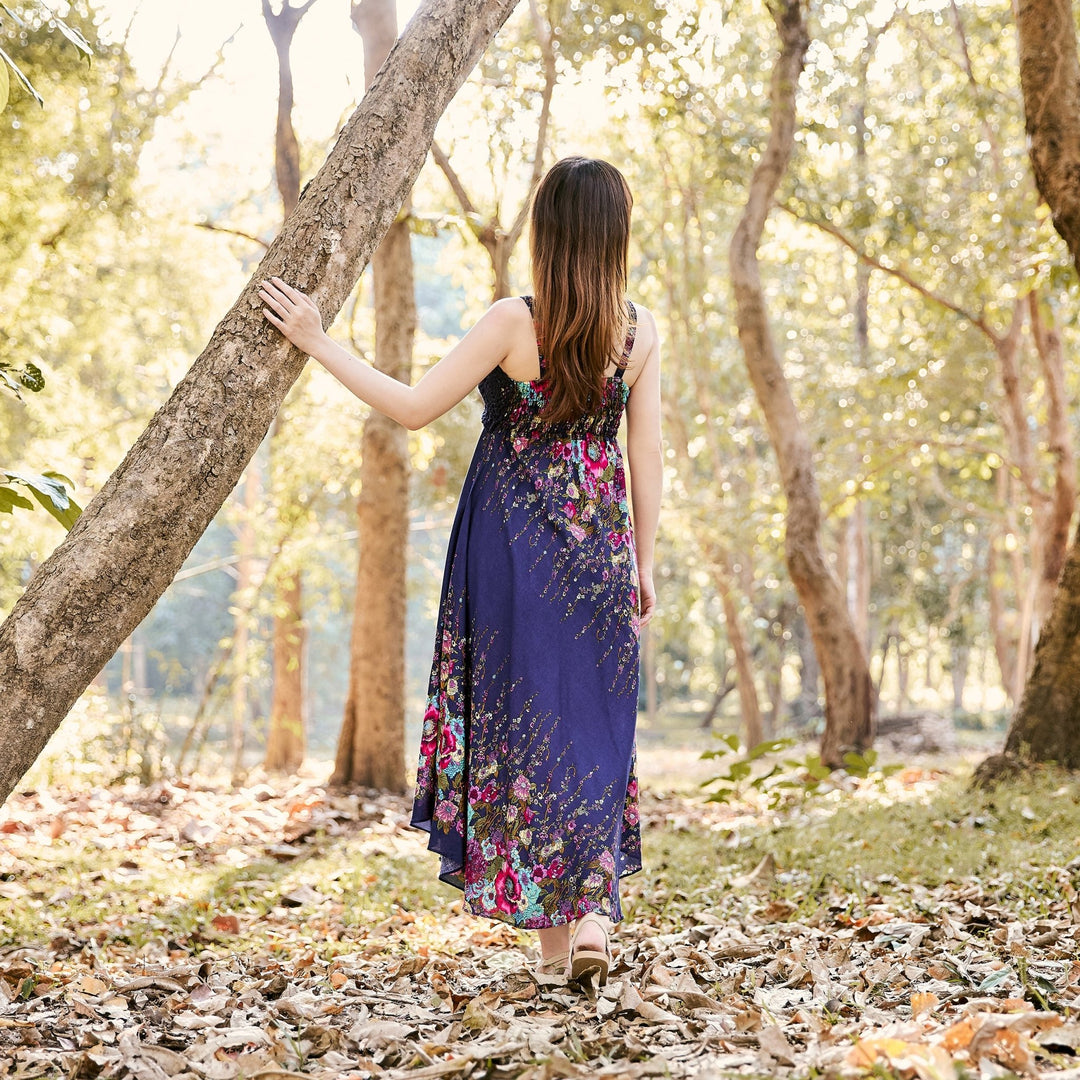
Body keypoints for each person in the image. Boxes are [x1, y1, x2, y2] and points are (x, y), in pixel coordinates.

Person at [259, 155, 662, 987]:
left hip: (511, 546)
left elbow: (411, 408)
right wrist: (644, 562)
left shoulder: (515, 322)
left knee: (522, 731)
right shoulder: (639, 330)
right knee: (589, 728)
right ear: (616, 234)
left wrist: (317, 340)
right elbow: (644, 453)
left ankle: (568, 938)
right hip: (598, 544)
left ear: (548, 232)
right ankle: (579, 930)